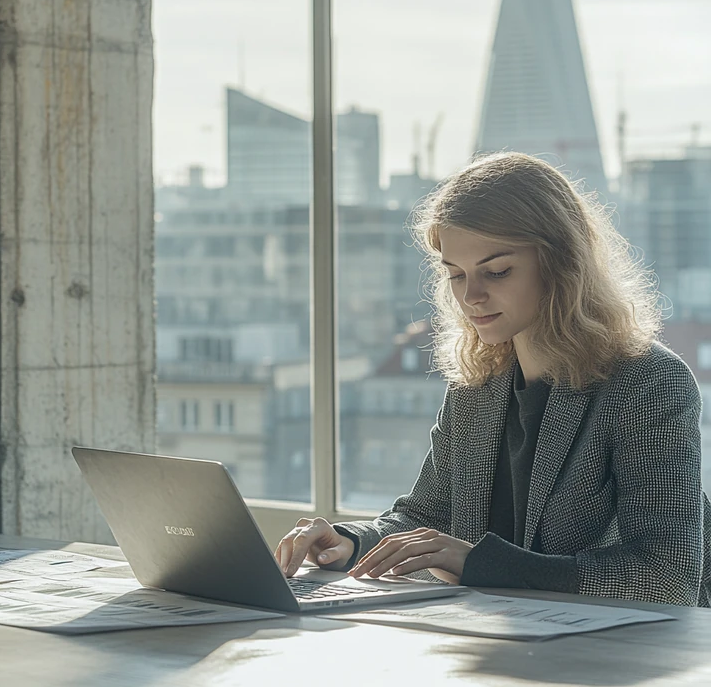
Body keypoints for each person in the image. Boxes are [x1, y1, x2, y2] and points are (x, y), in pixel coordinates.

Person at [275, 152, 711, 606]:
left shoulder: (648, 382)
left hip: (616, 662)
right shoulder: (477, 384)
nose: (471, 296)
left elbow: (666, 575)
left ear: (562, 263)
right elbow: (428, 517)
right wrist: (352, 544)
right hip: (495, 648)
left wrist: (481, 564)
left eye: (497, 271)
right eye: (456, 275)